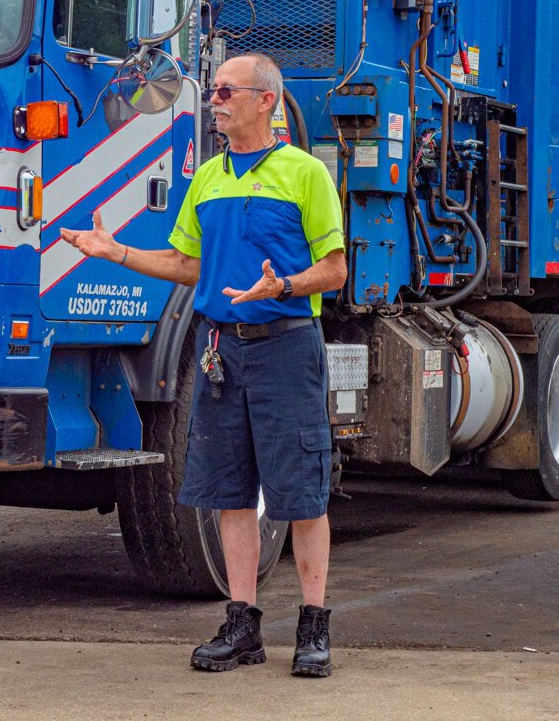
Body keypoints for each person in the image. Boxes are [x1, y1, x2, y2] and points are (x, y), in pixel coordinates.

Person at [60, 52, 347, 678]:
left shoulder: (304, 174)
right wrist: (116, 252)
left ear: (266, 100)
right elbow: (188, 265)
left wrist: (286, 285)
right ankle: (241, 626)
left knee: (300, 493)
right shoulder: (209, 178)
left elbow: (335, 267)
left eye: (224, 90)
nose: (212, 99)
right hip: (222, 350)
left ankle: (314, 628)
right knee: (229, 492)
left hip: (287, 345)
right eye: (212, 90)